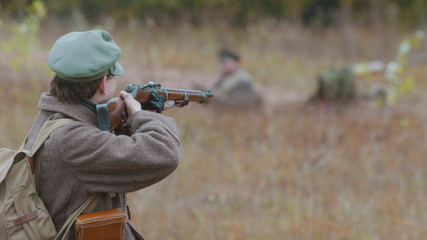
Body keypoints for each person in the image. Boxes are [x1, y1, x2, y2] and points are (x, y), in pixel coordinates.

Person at [23, 30, 180, 239]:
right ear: (103, 84)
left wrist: (133, 119)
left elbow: (101, 147)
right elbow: (165, 153)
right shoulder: (72, 139)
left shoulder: (52, 117)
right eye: (113, 76)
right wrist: (140, 117)